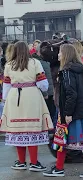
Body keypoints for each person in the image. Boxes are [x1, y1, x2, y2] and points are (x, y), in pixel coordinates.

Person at [43, 44, 83, 178]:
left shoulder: (67, 71)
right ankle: (61, 167)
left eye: (60, 53)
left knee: (63, 140)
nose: (58, 55)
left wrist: (68, 113)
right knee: (65, 140)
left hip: (72, 112)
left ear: (66, 55)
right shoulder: (79, 69)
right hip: (80, 110)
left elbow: (71, 94)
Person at [1, 41, 53, 172]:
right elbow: (43, 84)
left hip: (14, 97)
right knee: (32, 128)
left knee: (18, 129)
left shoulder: (9, 64)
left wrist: (6, 100)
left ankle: (21, 161)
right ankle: (34, 162)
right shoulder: (35, 63)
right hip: (32, 96)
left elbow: (6, 86)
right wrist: (41, 89)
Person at [32, 44, 55, 123]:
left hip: (48, 92)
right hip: (46, 93)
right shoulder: (39, 62)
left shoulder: (43, 61)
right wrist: (45, 93)